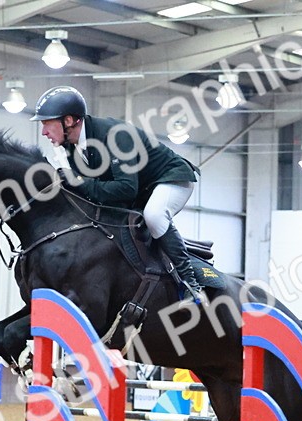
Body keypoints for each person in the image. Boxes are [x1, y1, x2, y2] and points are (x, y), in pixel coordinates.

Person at [31, 86, 206, 302]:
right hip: (141, 190)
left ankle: (190, 282)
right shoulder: (70, 147)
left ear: (68, 121)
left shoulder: (115, 135)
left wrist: (79, 182)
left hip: (171, 179)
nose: (43, 132)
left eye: (46, 124)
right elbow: (88, 192)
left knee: (154, 215)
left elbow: (124, 188)